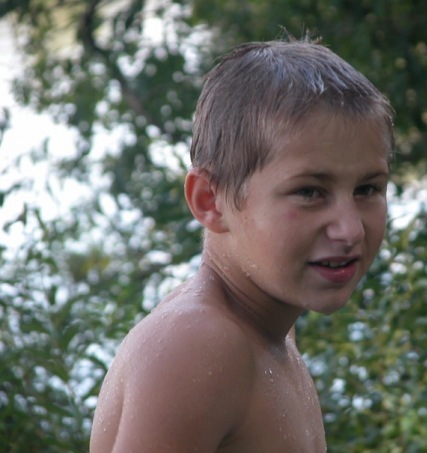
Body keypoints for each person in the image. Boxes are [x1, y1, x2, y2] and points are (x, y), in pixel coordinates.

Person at [90, 36, 394, 452]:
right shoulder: (199, 344)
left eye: (367, 189)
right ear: (210, 201)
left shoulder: (270, 333)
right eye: (309, 192)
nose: (351, 230)